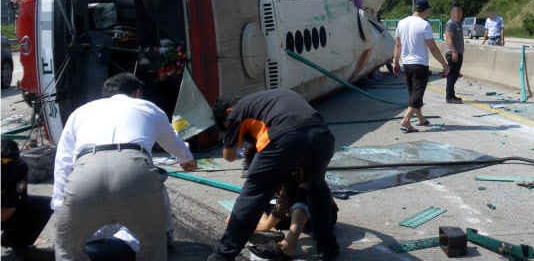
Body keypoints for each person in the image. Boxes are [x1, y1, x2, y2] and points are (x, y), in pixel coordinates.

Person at [52, 72, 198, 261]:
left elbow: (63, 161)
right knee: (153, 244)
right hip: (135, 172)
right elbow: (174, 143)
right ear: (137, 93)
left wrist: (60, 207)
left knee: (67, 247)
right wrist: (187, 159)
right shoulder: (147, 107)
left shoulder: (80, 112)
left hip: (84, 174)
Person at [208, 89, 338, 261]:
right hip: (322, 137)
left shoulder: (235, 113)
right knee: (317, 190)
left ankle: (222, 255)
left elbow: (229, 156)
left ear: (228, 112)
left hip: (284, 140)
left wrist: (232, 136)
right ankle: (327, 248)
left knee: (253, 195)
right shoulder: (272, 99)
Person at [393, 0, 450, 132]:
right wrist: (445, 65)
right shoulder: (425, 25)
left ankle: (421, 119)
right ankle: (406, 120)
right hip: (420, 64)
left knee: (414, 93)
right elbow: (433, 47)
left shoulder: (401, 23)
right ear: (426, 10)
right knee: (417, 94)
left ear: (414, 9)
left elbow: (397, 45)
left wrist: (395, 62)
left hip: (406, 64)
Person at [1, 138, 53, 259]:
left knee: (43, 206)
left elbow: (9, 210)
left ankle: (16, 242)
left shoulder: (19, 168)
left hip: (4, 208)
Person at [445, 4, 465, 104]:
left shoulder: (458, 23)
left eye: (460, 12)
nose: (458, 14)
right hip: (452, 53)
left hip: (458, 53)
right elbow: (448, 38)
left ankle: (452, 95)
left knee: (455, 75)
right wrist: (454, 51)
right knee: (452, 75)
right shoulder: (451, 24)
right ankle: (449, 97)